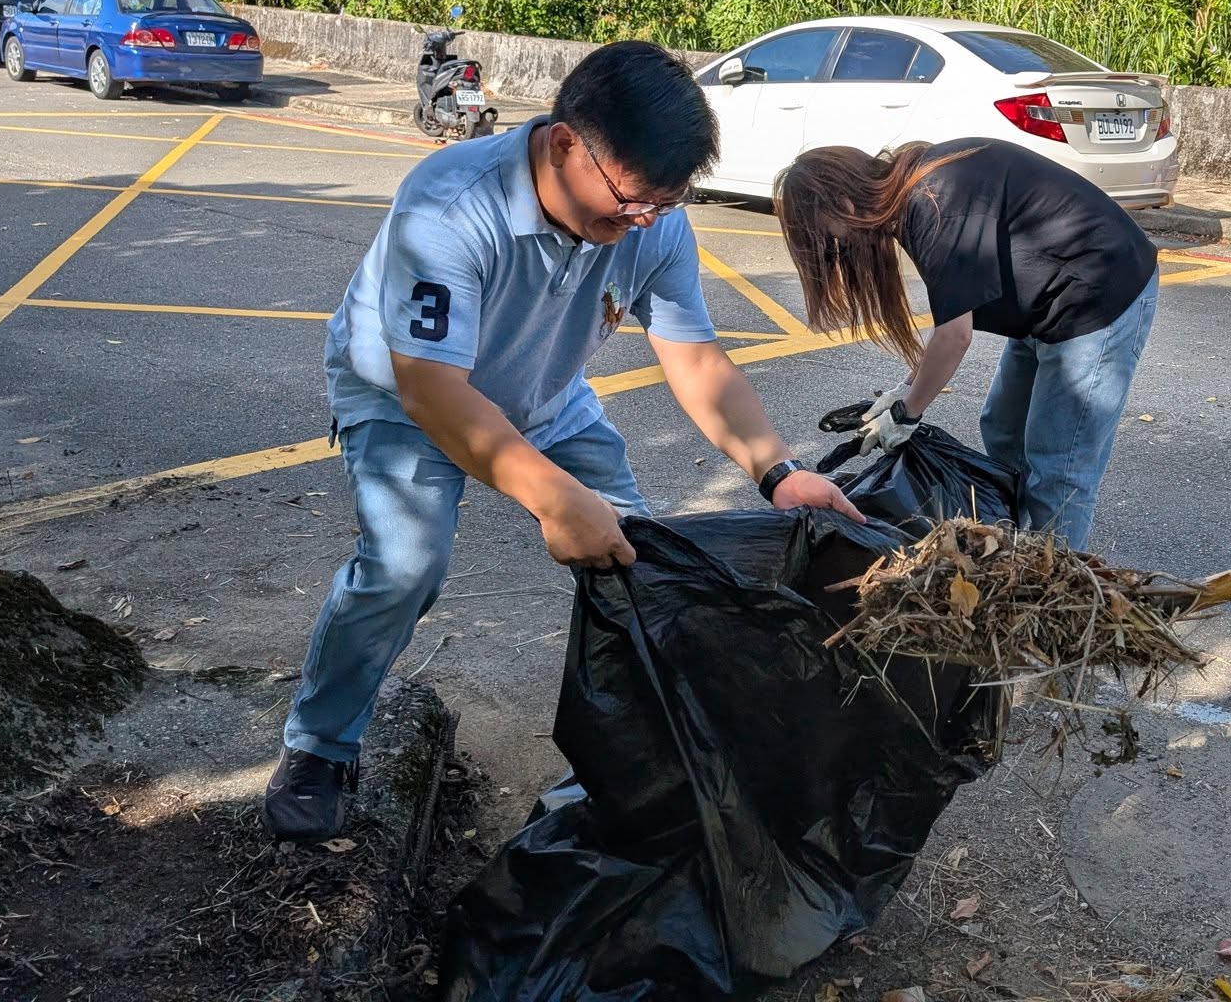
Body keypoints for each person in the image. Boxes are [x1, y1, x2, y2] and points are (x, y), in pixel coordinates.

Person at [265, 41, 861, 842]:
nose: (644, 218)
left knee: (641, 562)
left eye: (666, 200)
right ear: (564, 143)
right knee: (404, 569)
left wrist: (777, 472)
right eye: (631, 197)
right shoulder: (451, 205)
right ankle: (318, 745)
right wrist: (553, 499)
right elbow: (433, 388)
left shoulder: (653, 223)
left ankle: (649, 748)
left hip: (546, 397)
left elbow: (695, 358)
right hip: (407, 397)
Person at [774, 138, 1160, 550]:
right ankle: (1020, 548)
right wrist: (903, 391)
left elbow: (955, 335)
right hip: (1048, 304)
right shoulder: (914, 194)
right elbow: (955, 314)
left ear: (843, 205)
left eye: (826, 233)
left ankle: (1057, 588)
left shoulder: (933, 201)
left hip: (1098, 300)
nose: (835, 247)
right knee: (1003, 431)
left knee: (1058, 470)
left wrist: (908, 413)